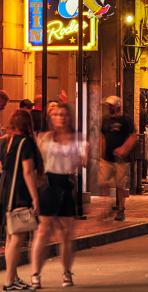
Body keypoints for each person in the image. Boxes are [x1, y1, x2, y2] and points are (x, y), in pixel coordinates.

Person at [30, 103, 87, 289]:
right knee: (43, 231)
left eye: (63, 115)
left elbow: (83, 161)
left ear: (69, 117)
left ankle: (66, 273)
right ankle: (35, 274)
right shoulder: (43, 138)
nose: (61, 118)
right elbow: (36, 161)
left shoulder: (77, 139)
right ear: (51, 118)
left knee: (66, 233)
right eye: (56, 115)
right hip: (49, 184)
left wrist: (84, 156)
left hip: (66, 183)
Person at [1, 110, 42, 291]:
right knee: (17, 237)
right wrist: (35, 198)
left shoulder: (5, 141)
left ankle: (14, 277)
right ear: (27, 125)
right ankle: (9, 280)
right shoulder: (25, 143)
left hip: (5, 190)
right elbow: (27, 171)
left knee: (11, 236)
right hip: (18, 192)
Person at [99, 96, 136, 222]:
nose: (109, 108)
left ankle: (121, 209)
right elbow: (102, 137)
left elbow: (133, 137)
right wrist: (101, 153)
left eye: (111, 106)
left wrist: (124, 149)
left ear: (117, 106)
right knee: (103, 182)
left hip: (122, 159)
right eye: (108, 106)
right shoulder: (105, 120)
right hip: (107, 158)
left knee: (120, 185)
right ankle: (107, 207)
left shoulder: (126, 120)